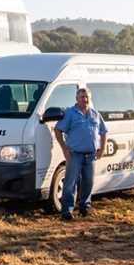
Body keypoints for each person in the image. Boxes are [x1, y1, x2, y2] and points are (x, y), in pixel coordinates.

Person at [53, 87, 107, 220]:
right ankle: (67, 211)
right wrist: (65, 149)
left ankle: (85, 208)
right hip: (74, 154)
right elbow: (58, 130)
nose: (85, 99)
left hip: (91, 155)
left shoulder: (95, 114)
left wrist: (102, 149)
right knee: (70, 184)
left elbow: (104, 131)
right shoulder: (70, 113)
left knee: (88, 182)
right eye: (82, 96)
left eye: (87, 96)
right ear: (76, 99)